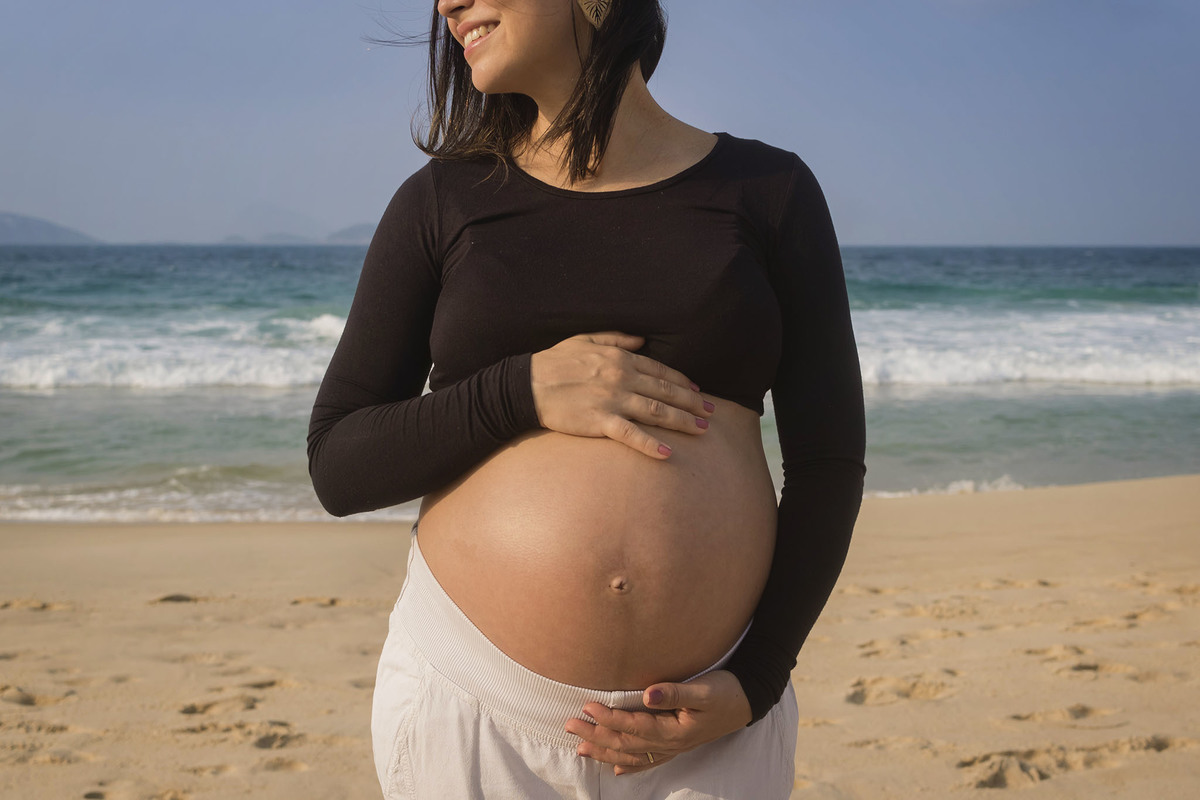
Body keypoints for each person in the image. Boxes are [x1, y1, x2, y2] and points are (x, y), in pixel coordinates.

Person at [307, 0, 866, 797]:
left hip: (705, 728)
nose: (446, 4)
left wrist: (760, 675)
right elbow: (339, 463)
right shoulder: (442, 201)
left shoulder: (769, 192)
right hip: (476, 712)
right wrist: (519, 391)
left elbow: (828, 462)